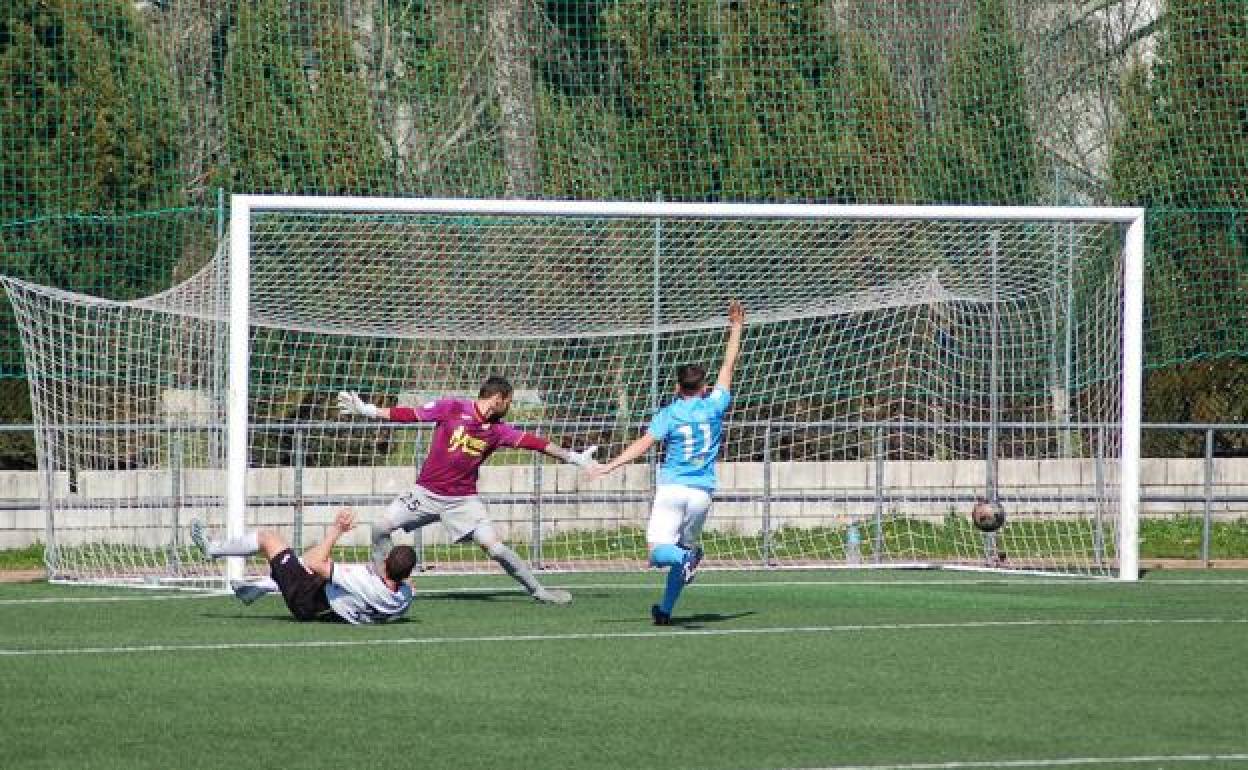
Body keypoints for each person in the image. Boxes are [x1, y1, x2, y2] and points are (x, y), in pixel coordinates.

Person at [337, 375, 597, 605]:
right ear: (497, 398)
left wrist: (573, 457)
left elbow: (537, 443)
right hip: (425, 493)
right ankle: (383, 585)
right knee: (380, 527)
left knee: (496, 549)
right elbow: (409, 414)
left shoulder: (498, 430)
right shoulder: (451, 408)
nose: (509, 407)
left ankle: (539, 591)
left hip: (463, 502)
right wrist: (368, 410)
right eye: (508, 401)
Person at [588, 300, 745, 625]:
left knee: (657, 554)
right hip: (702, 494)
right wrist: (737, 327)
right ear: (704, 388)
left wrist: (609, 466)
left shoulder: (669, 414)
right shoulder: (714, 405)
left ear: (677, 388)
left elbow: (642, 445)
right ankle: (665, 610)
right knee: (681, 555)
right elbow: (728, 367)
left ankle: (687, 558)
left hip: (673, 489)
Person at [190, 507, 415, 625]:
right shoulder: (403, 598)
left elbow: (315, 563)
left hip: (306, 599)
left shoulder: (364, 581)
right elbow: (405, 585)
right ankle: (261, 587)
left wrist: (337, 530)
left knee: (269, 539)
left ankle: (212, 549)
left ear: (386, 561)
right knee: (315, 562)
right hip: (324, 605)